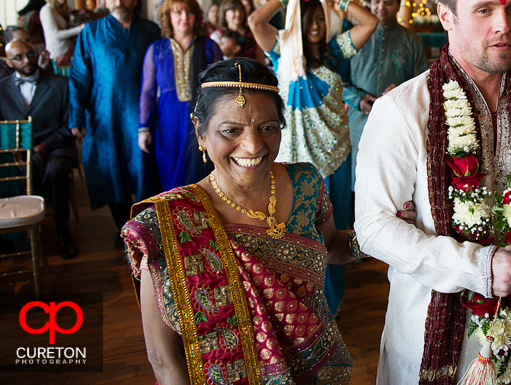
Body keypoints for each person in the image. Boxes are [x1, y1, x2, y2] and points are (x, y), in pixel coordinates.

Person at [354, 0, 511, 384]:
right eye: (484, 10)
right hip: (430, 332)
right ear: (447, 16)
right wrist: (480, 266)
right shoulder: (402, 109)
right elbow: (373, 227)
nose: (503, 26)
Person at [122, 58, 356, 384]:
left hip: (318, 373)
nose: (253, 145)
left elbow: (332, 247)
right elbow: (163, 358)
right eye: (231, 130)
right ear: (200, 132)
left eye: (268, 128)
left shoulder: (306, 182)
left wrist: (382, 234)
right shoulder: (167, 224)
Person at [248, 0, 378, 316]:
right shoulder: (280, 49)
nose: (318, 26)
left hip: (333, 156)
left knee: (329, 234)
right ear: (296, 21)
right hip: (292, 158)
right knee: (293, 231)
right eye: (310, 20)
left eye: (321, 18)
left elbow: (370, 22)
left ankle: (329, 307)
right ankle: (296, 303)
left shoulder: (336, 52)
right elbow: (255, 22)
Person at [69, 0, 161, 247]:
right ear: (104, 1)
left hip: (144, 116)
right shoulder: (91, 31)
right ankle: (123, 229)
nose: (118, 3)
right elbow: (78, 76)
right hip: (105, 115)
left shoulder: (151, 30)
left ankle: (145, 230)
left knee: (145, 169)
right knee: (111, 169)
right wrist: (76, 116)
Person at [342, 0, 428, 194]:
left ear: (398, 5)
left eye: (388, 2)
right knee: (357, 177)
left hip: (396, 120)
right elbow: (336, 82)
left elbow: (423, 83)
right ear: (369, 2)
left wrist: (400, 90)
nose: (381, 7)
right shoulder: (350, 38)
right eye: (377, 1)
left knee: (391, 177)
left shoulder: (412, 41)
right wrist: (358, 100)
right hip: (357, 119)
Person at [0, 39, 79, 259]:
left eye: (31, 54)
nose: (27, 60)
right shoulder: (2, 88)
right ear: (8, 62)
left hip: (55, 146)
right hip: (16, 151)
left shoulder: (60, 83)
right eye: (19, 57)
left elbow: (69, 124)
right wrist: (12, 148)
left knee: (56, 172)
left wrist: (45, 145)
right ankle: (9, 236)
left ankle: (63, 232)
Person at [138, 0, 222, 192]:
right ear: (168, 16)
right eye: (177, 12)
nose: (184, 17)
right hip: (168, 123)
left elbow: (220, 91)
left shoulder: (209, 47)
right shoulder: (157, 50)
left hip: (202, 120)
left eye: (189, 12)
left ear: (196, 16)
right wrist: (143, 128)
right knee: (169, 177)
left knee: (202, 178)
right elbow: (147, 93)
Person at [40, 0, 84, 66]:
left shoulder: (61, 9)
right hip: (58, 52)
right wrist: (79, 29)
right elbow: (56, 35)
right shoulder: (46, 10)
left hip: (69, 49)